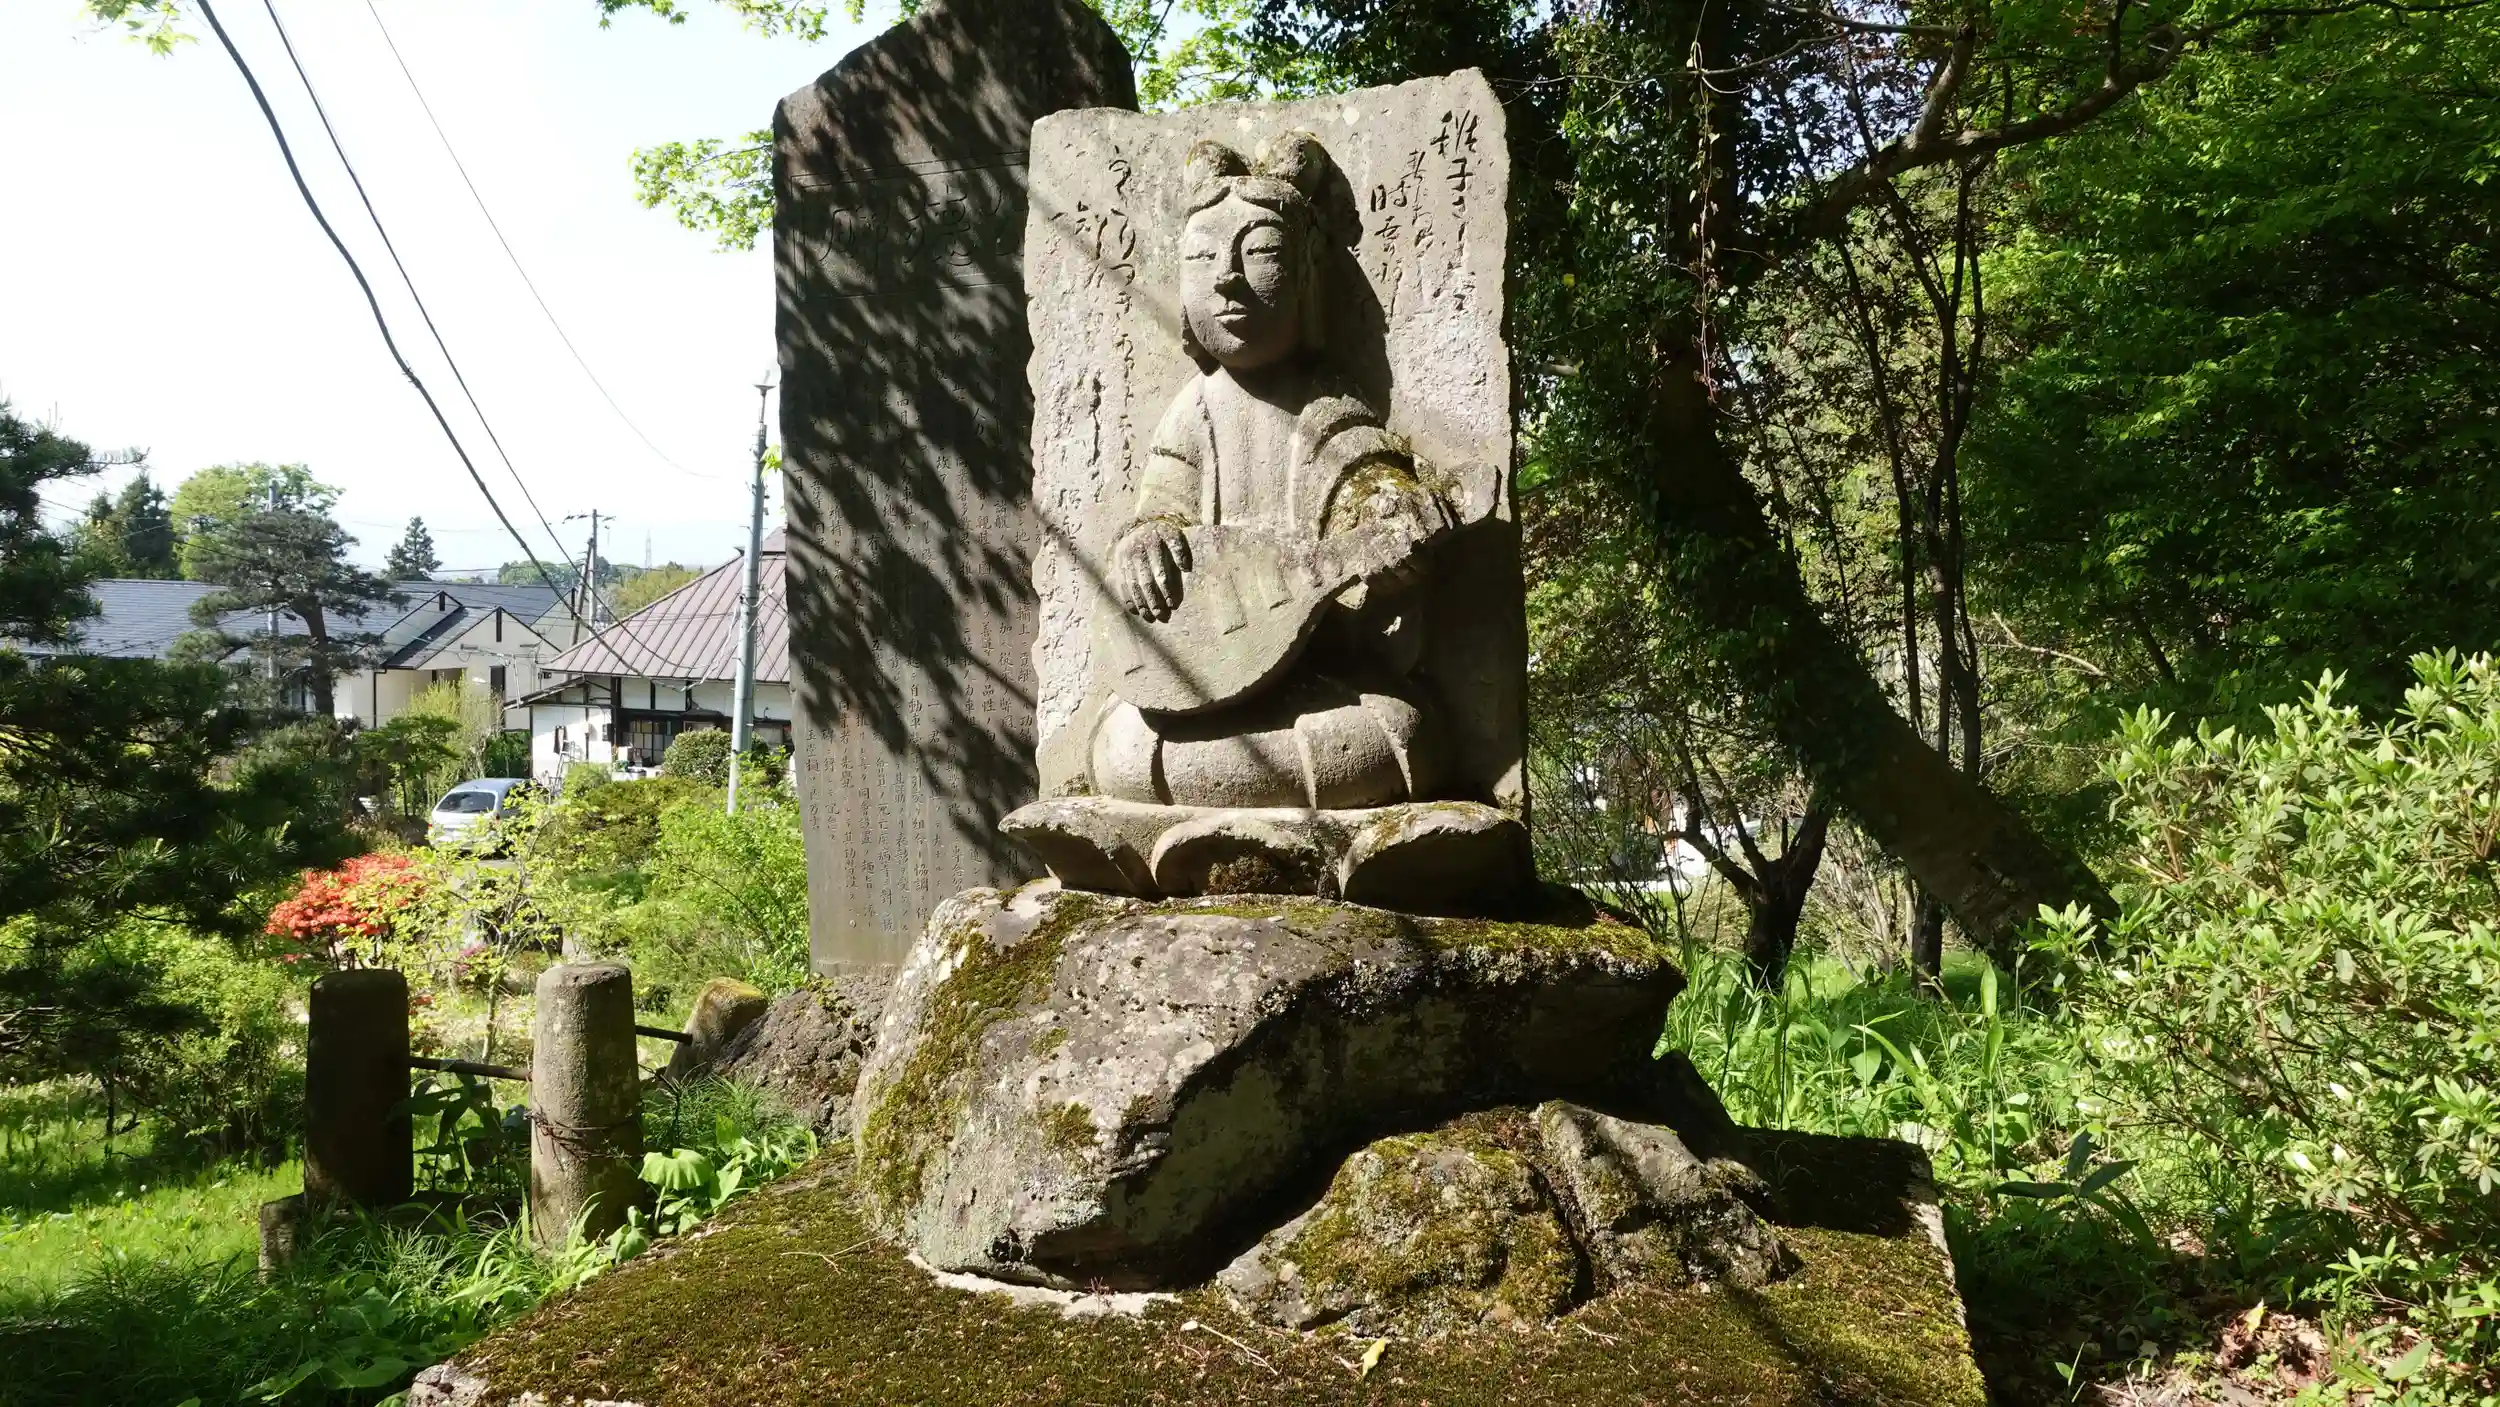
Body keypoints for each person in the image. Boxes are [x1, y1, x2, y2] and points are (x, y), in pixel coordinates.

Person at [1087, 132, 1456, 811]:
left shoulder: (1330, 409)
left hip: (1320, 689)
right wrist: (1144, 545)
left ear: (1307, 276)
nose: (1226, 278)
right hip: (1200, 684)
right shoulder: (1192, 413)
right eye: (1203, 258)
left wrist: (1390, 549)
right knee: (1119, 747)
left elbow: (1371, 490)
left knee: (1401, 735)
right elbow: (1160, 509)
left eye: (1258, 253)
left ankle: (1221, 803)